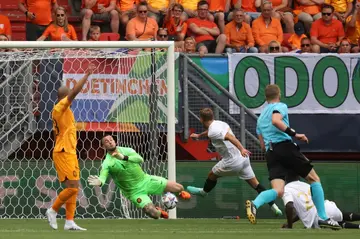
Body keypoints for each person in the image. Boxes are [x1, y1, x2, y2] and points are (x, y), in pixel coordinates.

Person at [245, 84, 341, 230]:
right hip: (284, 146)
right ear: (279, 94)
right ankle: (322, 217)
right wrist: (295, 134)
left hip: (271, 152)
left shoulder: (259, 119)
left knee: (279, 191)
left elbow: (262, 146)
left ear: (265, 98)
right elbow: (276, 120)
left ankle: (255, 204)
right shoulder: (280, 106)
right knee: (314, 179)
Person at [187, 108, 282, 216]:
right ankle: (275, 207)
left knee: (212, 175)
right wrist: (199, 136)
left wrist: (241, 149)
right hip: (244, 159)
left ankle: (204, 192)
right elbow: (210, 132)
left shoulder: (214, 130)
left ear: (201, 119)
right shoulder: (219, 124)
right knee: (256, 185)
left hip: (233, 160)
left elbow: (229, 137)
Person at [87, 135, 191, 219]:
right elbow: (103, 176)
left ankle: (180, 193)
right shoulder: (107, 162)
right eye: (106, 141)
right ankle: (159, 211)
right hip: (134, 192)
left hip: (146, 180)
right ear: (103, 146)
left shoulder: (126, 150)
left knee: (179, 187)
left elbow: (140, 159)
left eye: (111, 139)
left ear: (114, 141)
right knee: (153, 214)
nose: (110, 142)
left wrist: (123, 157)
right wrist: (99, 182)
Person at [45, 64, 96, 231]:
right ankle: (52, 210)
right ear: (64, 97)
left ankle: (69, 222)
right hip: (64, 152)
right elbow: (74, 92)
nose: (71, 99)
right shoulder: (60, 107)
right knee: (73, 187)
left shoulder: (65, 112)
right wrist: (86, 75)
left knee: (74, 188)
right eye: (69, 97)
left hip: (68, 151)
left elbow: (55, 133)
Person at [282, 173, 360, 229]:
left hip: (317, 217)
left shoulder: (286, 189)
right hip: (327, 206)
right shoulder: (307, 185)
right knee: (342, 216)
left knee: (337, 224)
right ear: (298, 176)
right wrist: (292, 221)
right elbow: (305, 208)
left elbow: (289, 206)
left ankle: (358, 226)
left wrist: (289, 225)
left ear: (284, 179)